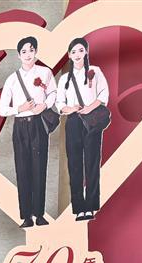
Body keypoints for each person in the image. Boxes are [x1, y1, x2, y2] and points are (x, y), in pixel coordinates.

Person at [0, 36, 55, 228]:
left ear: (36, 51)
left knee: (39, 168)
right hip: (20, 126)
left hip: (39, 124)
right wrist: (20, 108)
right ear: (19, 55)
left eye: (31, 50)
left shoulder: (45, 73)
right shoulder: (12, 79)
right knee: (22, 169)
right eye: (24, 51)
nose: (28, 54)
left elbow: (53, 93)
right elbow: (2, 109)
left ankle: (39, 215)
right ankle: (26, 216)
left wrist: (44, 105)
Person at [56, 37, 110, 221]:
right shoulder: (65, 79)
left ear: (86, 51)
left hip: (91, 120)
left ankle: (91, 206)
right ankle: (79, 207)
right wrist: (70, 108)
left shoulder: (95, 71)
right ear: (69, 55)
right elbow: (59, 103)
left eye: (80, 50)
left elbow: (103, 94)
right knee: (74, 164)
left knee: (92, 162)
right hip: (73, 121)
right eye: (73, 52)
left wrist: (89, 108)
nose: (77, 54)